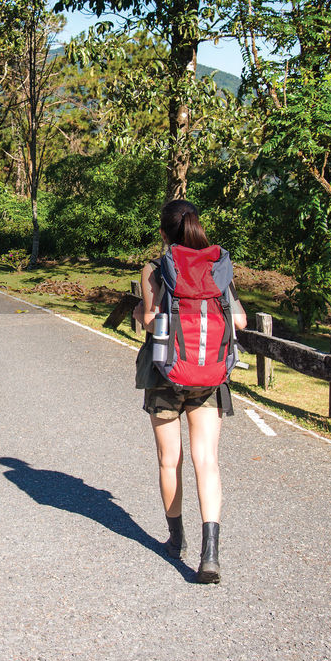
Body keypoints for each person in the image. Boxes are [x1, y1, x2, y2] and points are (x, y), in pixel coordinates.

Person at [133, 199, 247, 583]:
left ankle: (175, 539)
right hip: (210, 377)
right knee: (207, 461)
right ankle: (210, 554)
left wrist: (138, 313)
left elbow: (152, 322)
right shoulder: (218, 267)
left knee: (170, 461)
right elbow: (241, 319)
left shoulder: (155, 268)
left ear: (164, 233)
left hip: (165, 376)